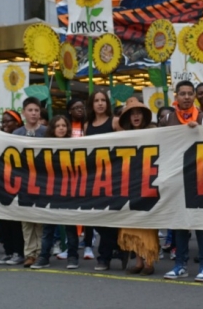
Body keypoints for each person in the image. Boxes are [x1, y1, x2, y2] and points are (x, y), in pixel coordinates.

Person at [160, 81, 203, 282]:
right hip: (176, 180)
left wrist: (199, 131)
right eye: (182, 93)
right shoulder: (167, 119)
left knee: (201, 224)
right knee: (179, 224)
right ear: (176, 96)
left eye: (189, 94)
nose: (186, 97)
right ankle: (180, 265)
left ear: (194, 96)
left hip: (199, 179)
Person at [115, 97, 159, 276]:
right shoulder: (122, 136)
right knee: (131, 222)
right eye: (132, 114)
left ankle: (149, 261)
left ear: (143, 116)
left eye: (138, 113)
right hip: (129, 182)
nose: (135, 116)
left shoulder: (155, 132)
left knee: (147, 223)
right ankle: (139, 261)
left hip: (148, 182)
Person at [31, 115, 81, 270]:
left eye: (64, 125)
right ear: (52, 128)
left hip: (69, 191)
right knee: (48, 228)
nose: (61, 128)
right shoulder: (44, 146)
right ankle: (44, 257)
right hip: (50, 191)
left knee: (70, 228)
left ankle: (72, 257)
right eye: (58, 125)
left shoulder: (75, 146)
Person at [85, 91, 125, 271]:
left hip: (114, 176)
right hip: (95, 177)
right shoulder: (87, 126)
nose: (100, 103)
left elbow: (126, 144)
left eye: (103, 100)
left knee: (109, 217)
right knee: (95, 217)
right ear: (91, 104)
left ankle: (104, 257)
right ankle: (119, 247)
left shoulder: (115, 122)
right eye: (96, 101)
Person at [13, 97, 47, 268]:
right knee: (26, 220)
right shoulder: (16, 134)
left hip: (42, 181)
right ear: (24, 112)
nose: (34, 113)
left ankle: (41, 253)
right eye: (30, 110)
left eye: (36, 110)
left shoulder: (47, 132)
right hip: (24, 182)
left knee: (40, 219)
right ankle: (29, 253)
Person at [0, 110, 26, 266]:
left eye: (9, 121)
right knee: (4, 220)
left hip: (18, 184)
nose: (5, 124)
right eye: (3, 122)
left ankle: (18, 252)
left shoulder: (22, 138)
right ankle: (8, 251)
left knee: (15, 222)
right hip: (2, 183)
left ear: (17, 123)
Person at [64, 98, 94, 259]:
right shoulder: (65, 126)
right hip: (69, 175)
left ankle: (88, 245)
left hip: (86, 174)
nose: (80, 110)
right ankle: (70, 247)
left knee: (87, 212)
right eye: (76, 108)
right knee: (70, 212)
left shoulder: (88, 125)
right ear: (69, 111)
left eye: (82, 107)